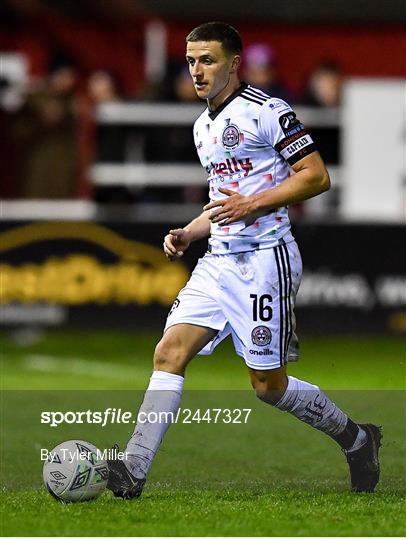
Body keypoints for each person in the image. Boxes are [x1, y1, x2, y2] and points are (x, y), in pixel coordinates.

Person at [106, 22, 382, 499]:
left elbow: (316, 177)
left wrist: (252, 205)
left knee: (267, 387)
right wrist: (190, 232)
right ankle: (132, 470)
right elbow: (224, 198)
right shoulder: (202, 126)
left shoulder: (268, 112)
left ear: (234, 64)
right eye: (191, 61)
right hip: (218, 261)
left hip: (264, 261)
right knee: (168, 353)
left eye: (207, 60)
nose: (197, 70)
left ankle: (358, 440)